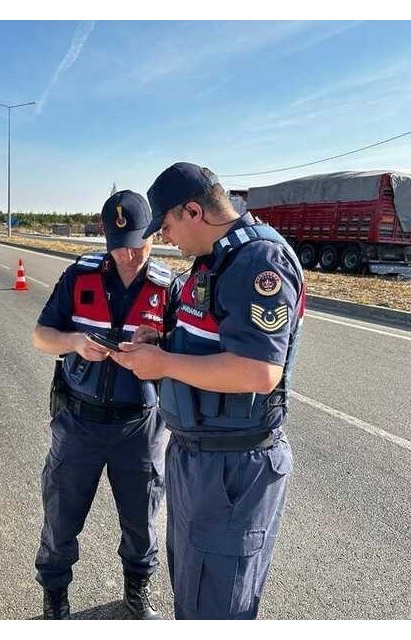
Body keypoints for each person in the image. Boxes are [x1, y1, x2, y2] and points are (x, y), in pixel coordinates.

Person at [109, 163, 306, 620]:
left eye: (169, 225)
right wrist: (159, 345)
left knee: (216, 604)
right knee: (192, 588)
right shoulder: (211, 262)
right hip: (196, 457)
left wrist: (164, 364)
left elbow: (259, 372)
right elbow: (206, 342)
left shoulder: (259, 260)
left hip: (232, 466)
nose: (167, 238)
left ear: (194, 211)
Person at [31, 190, 181, 620]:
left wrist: (160, 348)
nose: (130, 256)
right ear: (105, 236)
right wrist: (74, 341)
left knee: (142, 518)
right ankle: (55, 594)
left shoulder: (169, 288)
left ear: (153, 233)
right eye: (119, 245)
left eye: (138, 243)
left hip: (140, 425)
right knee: (61, 516)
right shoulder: (79, 277)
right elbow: (41, 336)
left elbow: (185, 356)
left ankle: (137, 588)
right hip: (79, 421)